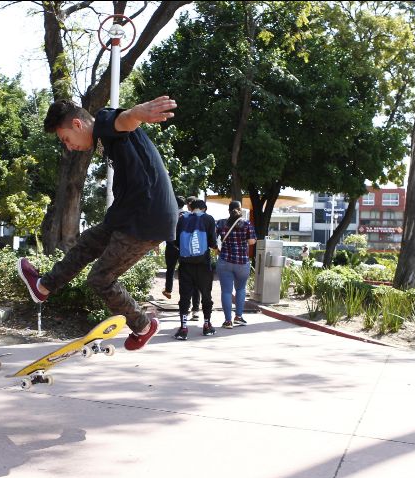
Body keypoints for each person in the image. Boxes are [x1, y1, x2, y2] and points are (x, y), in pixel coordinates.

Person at [18, 96, 179, 351]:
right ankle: (43, 287)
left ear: (78, 125)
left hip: (146, 216)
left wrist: (137, 113)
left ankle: (144, 325)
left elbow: (123, 120)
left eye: (66, 139)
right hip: (129, 212)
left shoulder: (102, 122)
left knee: (100, 278)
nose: (69, 147)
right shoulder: (105, 137)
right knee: (88, 243)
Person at [174, 198, 217, 340]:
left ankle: (183, 328)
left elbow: (175, 242)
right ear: (204, 209)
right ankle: (207, 325)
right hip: (203, 264)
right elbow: (212, 243)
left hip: (185, 264)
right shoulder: (209, 219)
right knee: (206, 295)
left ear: (191, 208)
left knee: (184, 296)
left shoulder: (182, 219)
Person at [215, 200, 257, 329]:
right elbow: (251, 242)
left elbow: (212, 239)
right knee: (240, 289)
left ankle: (228, 321)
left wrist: (218, 248)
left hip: (225, 261)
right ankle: (238, 317)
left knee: (226, 291)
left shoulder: (221, 223)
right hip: (242, 262)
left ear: (229, 210)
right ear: (240, 209)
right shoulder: (246, 223)